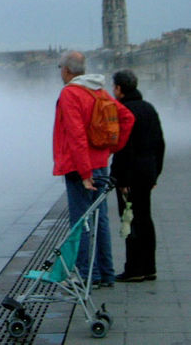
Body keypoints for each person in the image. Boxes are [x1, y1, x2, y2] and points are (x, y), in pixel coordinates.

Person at [53, 51, 135, 287]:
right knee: (100, 220)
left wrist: (85, 173)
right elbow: (127, 117)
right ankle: (105, 274)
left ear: (67, 70)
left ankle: (86, 275)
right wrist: (111, 149)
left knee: (81, 223)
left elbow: (76, 135)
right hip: (100, 165)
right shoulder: (99, 90)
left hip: (80, 169)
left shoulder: (71, 93)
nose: (60, 72)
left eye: (60, 67)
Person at [110, 69, 165, 282]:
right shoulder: (149, 108)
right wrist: (155, 174)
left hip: (130, 176)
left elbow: (123, 148)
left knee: (129, 219)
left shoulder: (122, 110)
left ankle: (134, 269)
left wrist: (121, 179)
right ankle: (150, 267)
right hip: (147, 173)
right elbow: (159, 144)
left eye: (114, 87)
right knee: (145, 219)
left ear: (119, 89)